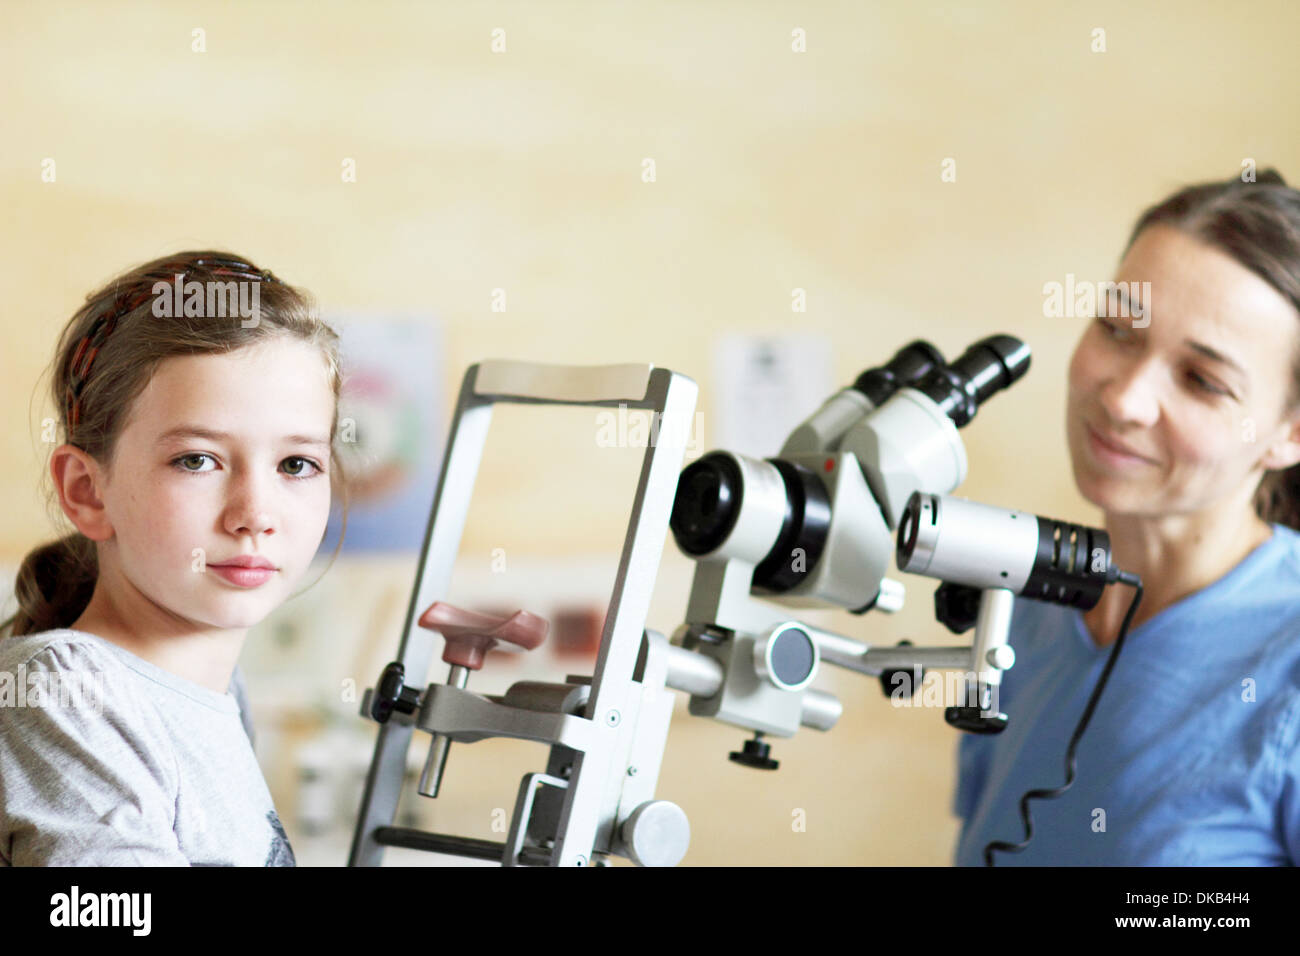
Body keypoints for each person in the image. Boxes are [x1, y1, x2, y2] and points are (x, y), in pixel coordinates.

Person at [953, 168, 1300, 865]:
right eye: (1117, 327)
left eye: (1203, 380)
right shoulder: (1023, 605)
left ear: (1288, 433)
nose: (1125, 400)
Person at [0, 251, 349, 865]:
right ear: (87, 490)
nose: (254, 514)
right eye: (197, 460)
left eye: (297, 464)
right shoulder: (63, 691)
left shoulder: (221, 692)